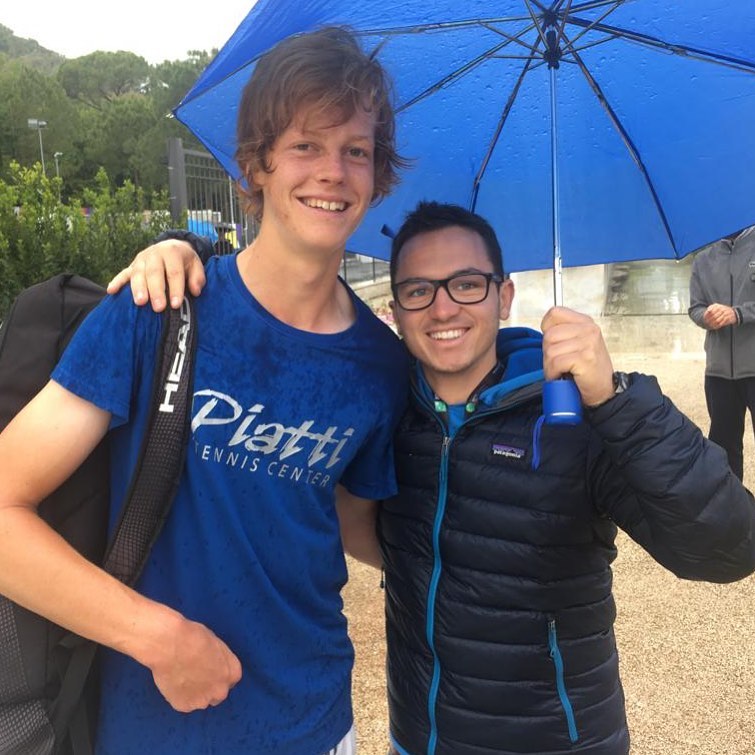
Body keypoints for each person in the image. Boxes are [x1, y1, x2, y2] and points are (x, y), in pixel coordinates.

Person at [116, 201, 755, 755]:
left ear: (504, 296)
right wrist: (187, 253)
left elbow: (726, 550)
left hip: (556, 742)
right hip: (419, 736)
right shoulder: (386, 405)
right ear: (395, 309)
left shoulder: (578, 414)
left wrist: (615, 399)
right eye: (420, 289)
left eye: (467, 284)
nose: (443, 306)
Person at [0, 27, 410, 754]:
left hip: (316, 723)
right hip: (153, 726)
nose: (333, 172)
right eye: (306, 146)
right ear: (255, 163)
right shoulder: (156, 309)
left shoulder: (380, 363)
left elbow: (353, 522)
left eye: (356, 150)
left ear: (378, 174)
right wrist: (156, 636)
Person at [688, 225, 755, 481]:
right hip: (718, 373)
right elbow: (695, 308)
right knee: (723, 449)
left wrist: (737, 314)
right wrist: (705, 317)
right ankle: (733, 513)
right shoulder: (703, 259)